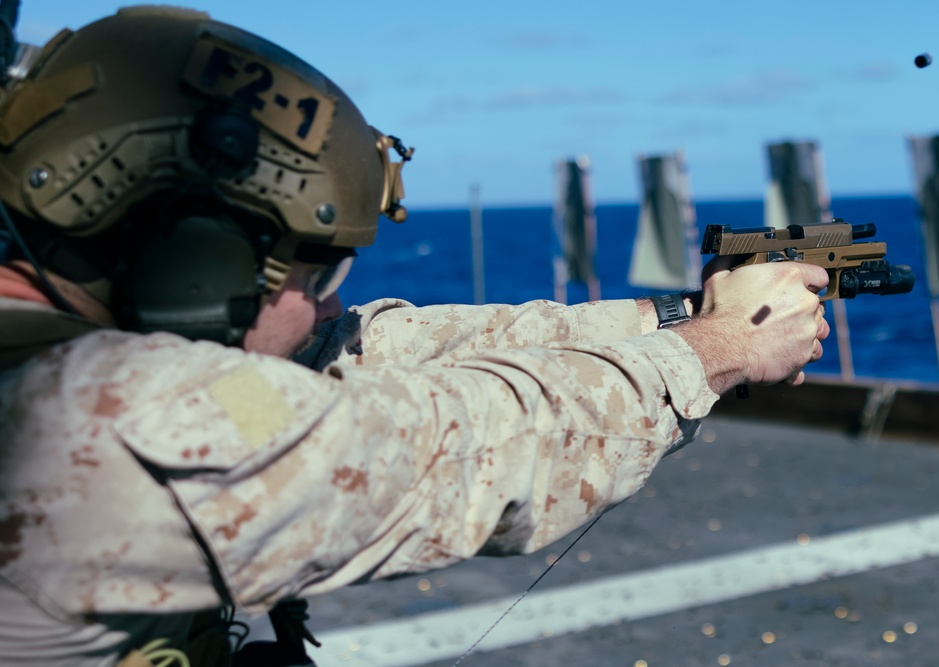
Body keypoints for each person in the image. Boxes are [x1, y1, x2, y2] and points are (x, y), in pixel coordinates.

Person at [0, 6, 830, 666]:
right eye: (318, 275)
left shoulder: (52, 342)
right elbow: (471, 447)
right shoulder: (86, 417)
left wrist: (683, 313)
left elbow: (382, 350)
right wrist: (729, 347)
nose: (332, 307)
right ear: (196, 267)